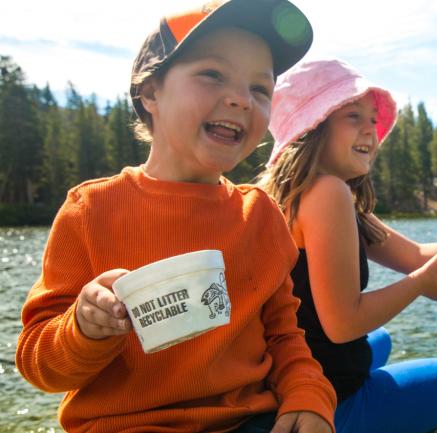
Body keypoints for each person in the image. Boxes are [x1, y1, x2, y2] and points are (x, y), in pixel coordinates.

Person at [15, 2, 336, 432]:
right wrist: (84, 328)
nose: (241, 99)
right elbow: (40, 368)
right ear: (150, 93)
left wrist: (308, 394)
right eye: (213, 74)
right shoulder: (90, 211)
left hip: (246, 421)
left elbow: (283, 336)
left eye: (260, 89)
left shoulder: (260, 215)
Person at [258, 58, 437, 433]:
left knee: (380, 340)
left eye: (372, 119)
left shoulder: (298, 192)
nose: (370, 129)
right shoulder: (328, 193)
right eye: (353, 116)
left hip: (288, 382)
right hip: (330, 407)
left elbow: (413, 255)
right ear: (312, 128)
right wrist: (420, 285)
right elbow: (343, 325)